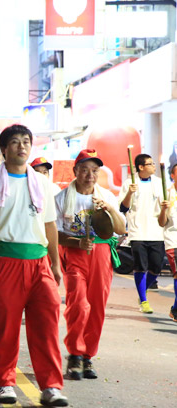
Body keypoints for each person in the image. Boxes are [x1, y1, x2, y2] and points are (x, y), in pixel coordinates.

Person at [0, 124, 68, 407]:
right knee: (6, 326)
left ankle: (51, 386)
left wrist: (55, 263)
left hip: (39, 264)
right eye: (15, 142)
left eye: (26, 141)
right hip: (6, 263)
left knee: (47, 325)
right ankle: (4, 382)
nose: (22, 146)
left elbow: (49, 224)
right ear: (4, 149)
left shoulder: (42, 184)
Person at [55, 149, 126, 380]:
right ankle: (75, 353)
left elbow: (120, 229)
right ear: (75, 171)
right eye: (84, 170)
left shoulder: (106, 196)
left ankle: (87, 357)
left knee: (97, 307)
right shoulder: (61, 198)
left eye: (94, 170)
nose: (90, 175)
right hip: (75, 255)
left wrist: (109, 209)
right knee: (78, 304)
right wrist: (77, 242)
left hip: (101, 254)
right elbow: (54, 234)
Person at [118, 153, 165, 313]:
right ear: (141, 167)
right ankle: (143, 301)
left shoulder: (159, 183)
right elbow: (123, 208)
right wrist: (130, 193)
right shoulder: (129, 183)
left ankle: (142, 291)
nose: (153, 166)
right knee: (140, 267)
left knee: (156, 267)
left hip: (156, 232)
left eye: (153, 163)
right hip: (137, 232)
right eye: (150, 164)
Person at [158, 163, 177, 322]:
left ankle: (176, 308)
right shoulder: (166, 195)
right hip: (173, 241)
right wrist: (164, 209)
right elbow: (162, 222)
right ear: (172, 175)